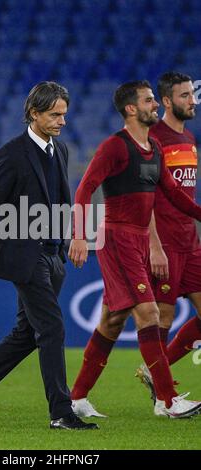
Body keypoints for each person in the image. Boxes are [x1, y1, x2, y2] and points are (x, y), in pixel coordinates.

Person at [0, 81, 98, 430]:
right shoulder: (10, 154)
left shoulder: (59, 151)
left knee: (27, 334)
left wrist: (75, 237)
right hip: (24, 257)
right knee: (52, 328)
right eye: (54, 115)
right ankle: (61, 413)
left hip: (52, 256)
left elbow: (62, 200)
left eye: (64, 115)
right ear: (33, 113)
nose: (62, 121)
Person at [69, 80, 201, 419]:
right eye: (149, 101)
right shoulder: (115, 147)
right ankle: (168, 400)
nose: (156, 105)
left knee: (113, 321)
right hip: (118, 239)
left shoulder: (154, 147)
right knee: (150, 314)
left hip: (140, 239)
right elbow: (85, 189)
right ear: (131, 109)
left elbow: (173, 195)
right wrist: (79, 236)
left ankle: (77, 397)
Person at [136, 72, 201, 401]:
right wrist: (154, 244)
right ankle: (163, 392)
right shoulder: (153, 139)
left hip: (190, 240)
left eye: (192, 94)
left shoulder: (189, 138)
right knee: (164, 314)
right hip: (163, 242)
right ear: (165, 101)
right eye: (185, 95)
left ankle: (153, 372)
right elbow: (144, 197)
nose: (192, 100)